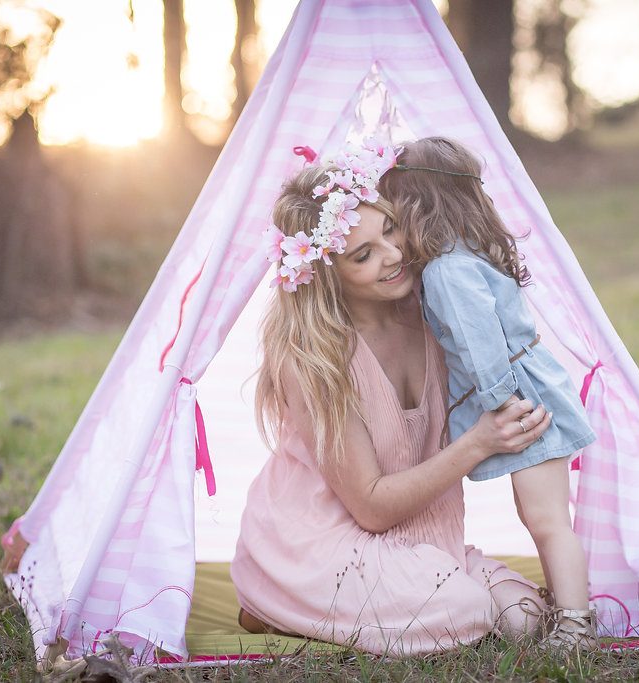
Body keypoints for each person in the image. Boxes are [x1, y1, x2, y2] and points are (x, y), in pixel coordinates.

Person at [230, 142, 554, 655]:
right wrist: (479, 443)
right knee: (467, 611)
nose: (395, 255)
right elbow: (373, 508)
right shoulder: (312, 357)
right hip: (320, 544)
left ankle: (362, 605)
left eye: (390, 229)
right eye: (363, 255)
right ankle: (278, 597)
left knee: (524, 618)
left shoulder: (434, 314)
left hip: (426, 542)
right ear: (325, 273)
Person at [378, 136, 599, 651]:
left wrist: (500, 406)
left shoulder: (446, 271)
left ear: (416, 209)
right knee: (541, 515)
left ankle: (574, 624)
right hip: (530, 386)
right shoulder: (464, 254)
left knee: (546, 518)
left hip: (521, 398)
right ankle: (567, 604)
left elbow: (482, 347)